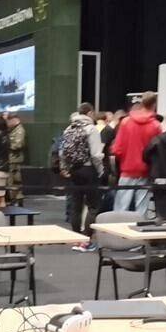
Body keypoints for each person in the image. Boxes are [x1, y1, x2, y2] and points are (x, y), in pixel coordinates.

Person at [60, 103, 105, 245]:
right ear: (90, 113)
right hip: (88, 169)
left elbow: (62, 152)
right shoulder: (91, 129)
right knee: (93, 205)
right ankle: (87, 237)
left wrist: (65, 168)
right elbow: (96, 155)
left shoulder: (69, 128)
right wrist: (101, 170)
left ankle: (76, 237)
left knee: (76, 205)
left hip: (74, 170)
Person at [111, 92, 162, 214]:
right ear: (154, 105)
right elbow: (158, 151)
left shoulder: (125, 122)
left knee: (120, 209)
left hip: (127, 170)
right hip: (145, 171)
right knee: (141, 210)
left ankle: (118, 226)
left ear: (141, 103)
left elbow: (117, 149)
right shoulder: (156, 125)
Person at [7, 113, 26, 204]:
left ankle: (15, 198)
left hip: (14, 158)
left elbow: (18, 145)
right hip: (12, 158)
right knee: (15, 180)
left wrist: (6, 145)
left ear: (14, 120)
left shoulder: (19, 130)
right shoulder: (14, 130)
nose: (8, 123)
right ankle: (17, 197)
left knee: (13, 180)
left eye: (9, 121)